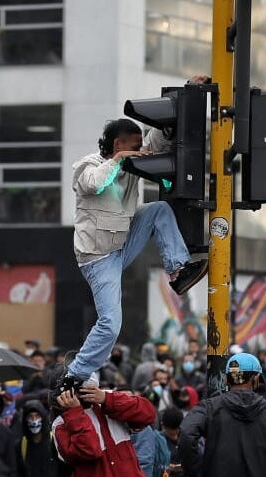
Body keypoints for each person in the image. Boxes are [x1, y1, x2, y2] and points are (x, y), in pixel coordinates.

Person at [62, 106, 209, 387]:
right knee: (110, 325)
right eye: (134, 145)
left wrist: (182, 101)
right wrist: (118, 159)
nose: (140, 150)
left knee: (159, 209)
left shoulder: (133, 162)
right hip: (98, 258)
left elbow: (157, 143)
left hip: (123, 243)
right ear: (118, 144)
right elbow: (93, 185)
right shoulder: (88, 165)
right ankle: (76, 374)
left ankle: (179, 271)